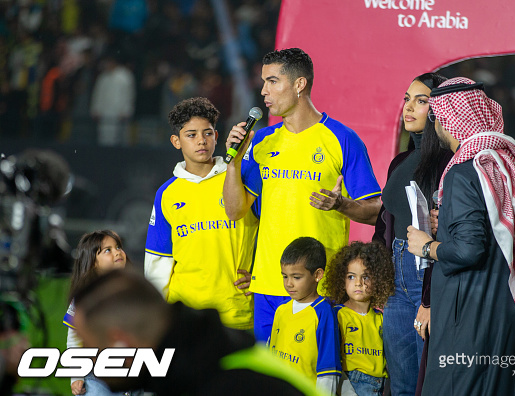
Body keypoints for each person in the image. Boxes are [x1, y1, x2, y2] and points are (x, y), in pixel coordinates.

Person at [223, 48, 382, 343]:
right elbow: (234, 211)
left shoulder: (342, 139)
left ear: (299, 85)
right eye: (263, 81)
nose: (263, 91)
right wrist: (233, 163)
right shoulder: (259, 141)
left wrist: (341, 204)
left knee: (317, 381)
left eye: (272, 81)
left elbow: (376, 211)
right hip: (269, 286)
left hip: (321, 287)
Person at [407, 77, 515, 395]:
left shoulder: (464, 171)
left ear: (447, 120)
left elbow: (470, 250)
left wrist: (427, 246)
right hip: (506, 309)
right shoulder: (506, 165)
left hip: (470, 312)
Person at [72, 268, 323, 396]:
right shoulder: (197, 361)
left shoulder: (234, 384)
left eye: (89, 346)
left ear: (120, 342)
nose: (87, 359)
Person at [144, 97, 258, 330]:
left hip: (236, 313)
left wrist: (259, 273)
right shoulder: (167, 194)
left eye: (207, 133)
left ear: (217, 137)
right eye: (191, 135)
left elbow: (270, 231)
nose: (201, 141)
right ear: (176, 141)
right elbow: (158, 261)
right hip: (184, 317)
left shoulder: (239, 177)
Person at [372, 73, 451, 396]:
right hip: (394, 281)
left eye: (421, 101)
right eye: (407, 99)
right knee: (401, 384)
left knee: (427, 383)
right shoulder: (400, 161)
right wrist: (377, 277)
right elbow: (383, 223)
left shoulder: (449, 164)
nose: (409, 107)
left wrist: (430, 300)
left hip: (426, 280)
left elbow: (444, 237)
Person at [62, 230, 142, 396]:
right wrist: (76, 375)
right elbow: (74, 338)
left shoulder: (136, 289)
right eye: (108, 250)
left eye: (118, 247)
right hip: (97, 379)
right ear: (92, 263)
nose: (117, 252)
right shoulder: (85, 296)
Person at [269, 237, 342, 395]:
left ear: (317, 275)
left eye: (296, 277)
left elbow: (328, 369)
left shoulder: (323, 313)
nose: (289, 283)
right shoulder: (281, 311)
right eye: (285, 276)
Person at [324, 241, 395, 396]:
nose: (358, 283)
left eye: (366, 277)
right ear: (341, 280)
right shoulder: (337, 315)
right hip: (349, 383)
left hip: (379, 386)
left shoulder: (381, 318)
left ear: (378, 280)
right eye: (351, 276)